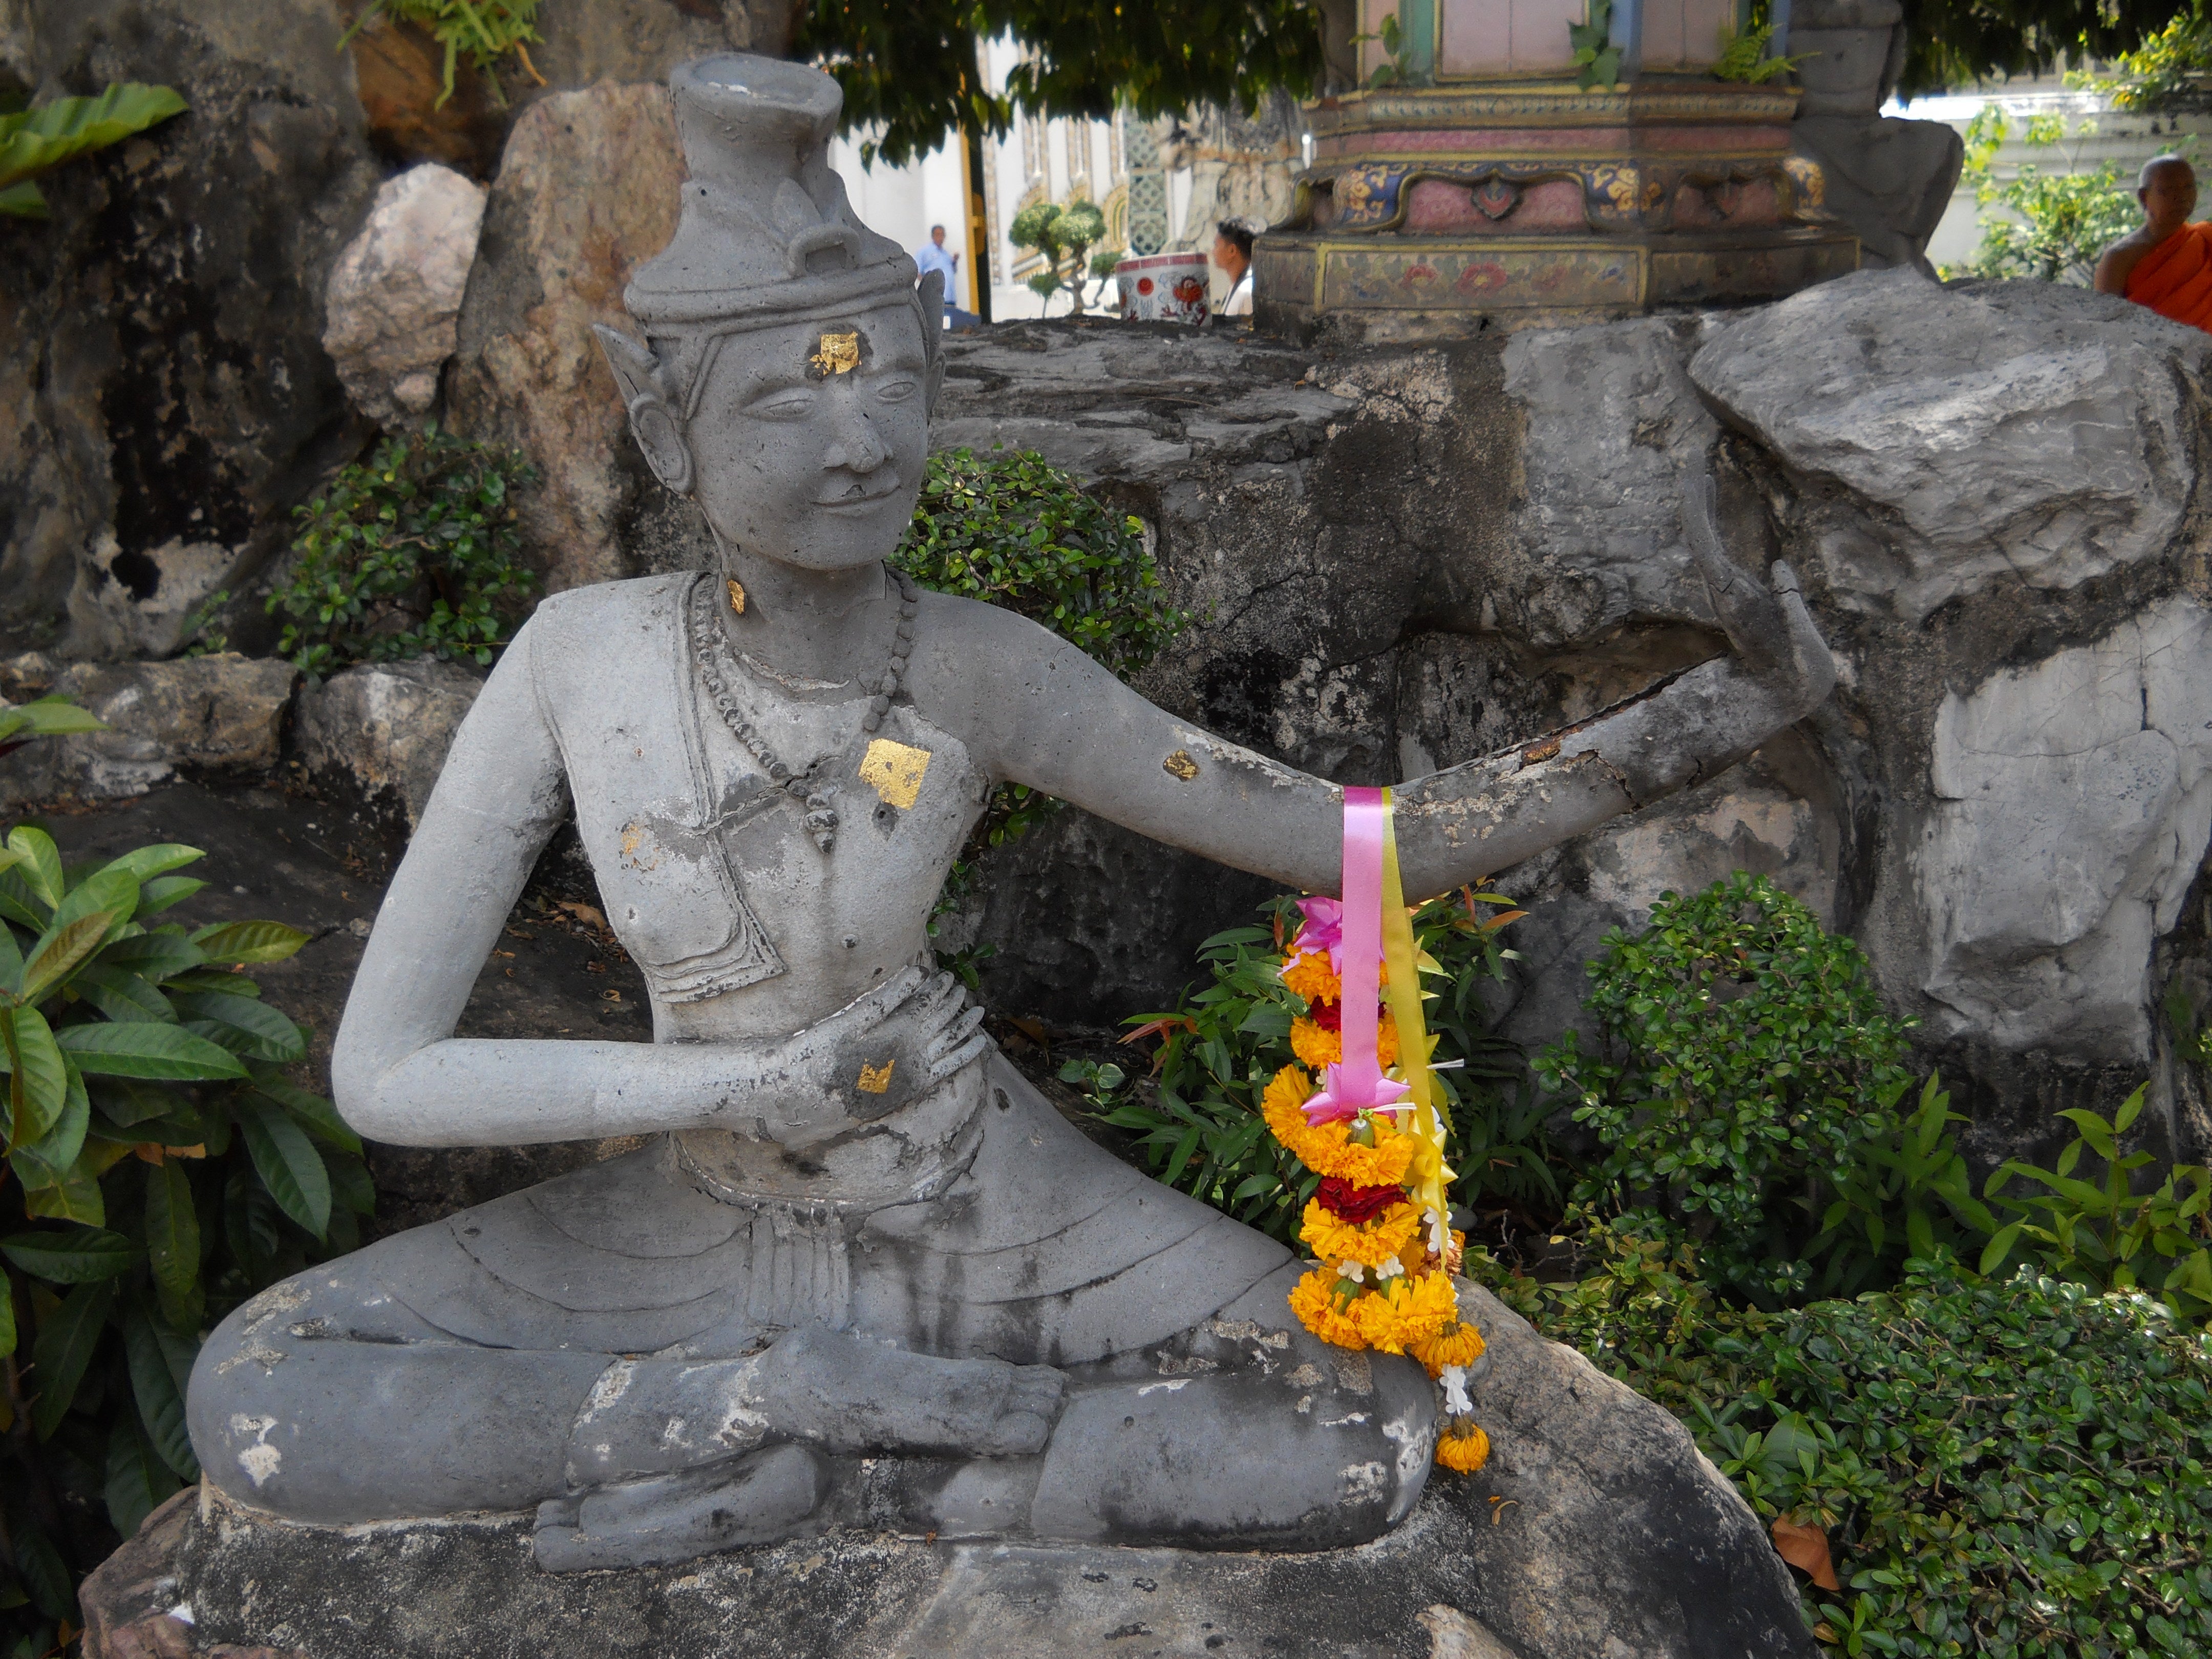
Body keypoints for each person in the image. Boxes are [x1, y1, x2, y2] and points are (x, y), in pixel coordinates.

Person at [185, 52, 1835, 1572]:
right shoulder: (575, 662)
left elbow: (1357, 841)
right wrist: (747, 1080)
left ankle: (887, 1460)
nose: (858, 444)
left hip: (980, 1206)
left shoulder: (983, 673)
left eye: (889, 384)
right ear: (663, 425)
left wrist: (1709, 715)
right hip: (690, 1206)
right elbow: (387, 1073)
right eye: (786, 401)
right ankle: (733, 1419)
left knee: (1367, 1421)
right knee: (257, 1387)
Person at [2095, 155, 2212, 331]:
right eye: (2168, 189)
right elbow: (2108, 328)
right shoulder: (2120, 258)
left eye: (2189, 187)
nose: (2182, 197)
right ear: (2144, 197)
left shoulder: (2204, 239)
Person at [1212, 219, 1254, 317]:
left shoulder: (1247, 292)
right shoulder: (1237, 287)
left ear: (1232, 251)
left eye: (1216, 245)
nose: (1213, 252)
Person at [912, 222, 959, 294]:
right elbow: (916, 271)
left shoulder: (946, 254)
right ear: (933, 236)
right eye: (938, 235)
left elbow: (952, 271)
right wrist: (929, 286)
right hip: (935, 297)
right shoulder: (925, 252)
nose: (940, 238)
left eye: (942, 235)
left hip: (949, 296)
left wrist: (955, 261)